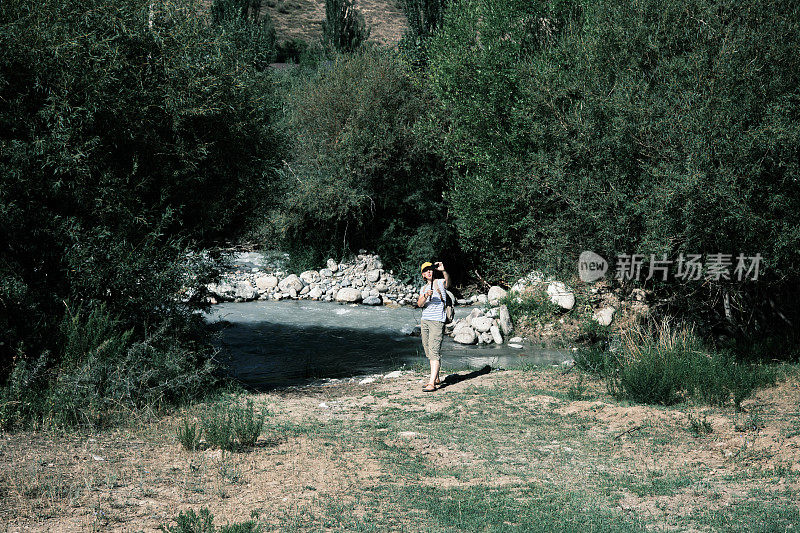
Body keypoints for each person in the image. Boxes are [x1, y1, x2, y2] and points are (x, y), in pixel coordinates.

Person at [416, 261, 450, 392]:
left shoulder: (440, 282)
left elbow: (448, 282)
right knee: (428, 350)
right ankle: (436, 377)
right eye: (426, 271)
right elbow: (419, 304)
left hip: (437, 321)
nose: (429, 272)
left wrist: (443, 270)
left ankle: (432, 383)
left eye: (430, 269)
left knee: (434, 351)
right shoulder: (423, 288)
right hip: (425, 321)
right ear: (423, 275)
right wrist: (425, 296)